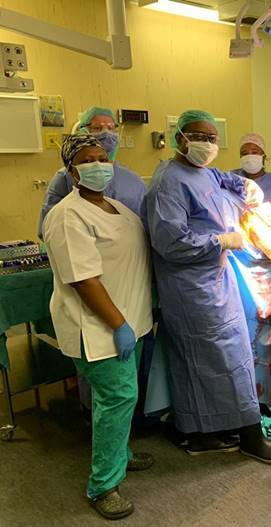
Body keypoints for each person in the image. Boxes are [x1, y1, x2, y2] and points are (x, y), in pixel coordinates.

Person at [142, 109, 271, 461]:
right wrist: (221, 241)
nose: (206, 143)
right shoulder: (168, 182)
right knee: (224, 356)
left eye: (212, 138)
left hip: (210, 280)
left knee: (206, 361)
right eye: (198, 136)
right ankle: (250, 436)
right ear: (180, 139)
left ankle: (196, 432)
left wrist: (245, 185)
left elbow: (221, 179)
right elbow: (170, 241)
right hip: (191, 288)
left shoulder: (201, 172)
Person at [42, 135, 154, 520]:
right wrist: (119, 323)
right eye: (87, 159)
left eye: (103, 157)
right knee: (117, 399)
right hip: (98, 327)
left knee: (125, 398)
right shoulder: (66, 215)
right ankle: (103, 485)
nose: (98, 164)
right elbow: (83, 279)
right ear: (71, 170)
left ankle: (120, 454)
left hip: (130, 321)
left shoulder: (117, 207)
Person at [38, 106, 146, 239]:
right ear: (83, 131)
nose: (106, 133)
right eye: (98, 128)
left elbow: (145, 223)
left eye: (111, 127)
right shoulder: (66, 177)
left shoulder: (132, 180)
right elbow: (49, 229)